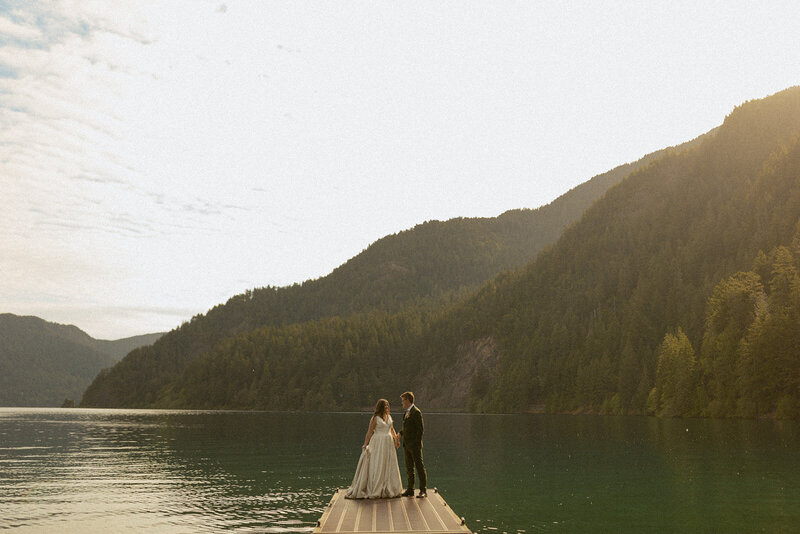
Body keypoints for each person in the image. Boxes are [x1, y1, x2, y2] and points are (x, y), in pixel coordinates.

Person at [344, 398, 403, 499]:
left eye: (388, 405)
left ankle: (389, 487)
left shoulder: (389, 416)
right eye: (385, 406)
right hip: (378, 443)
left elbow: (392, 429)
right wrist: (365, 444)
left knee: (388, 464)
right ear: (381, 407)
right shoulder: (375, 418)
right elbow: (370, 432)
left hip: (388, 443)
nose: (387, 407)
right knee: (378, 463)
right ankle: (376, 487)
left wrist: (396, 440)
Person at [398, 391, 427, 498]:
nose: (402, 403)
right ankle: (410, 489)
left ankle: (423, 490)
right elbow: (406, 428)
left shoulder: (416, 412)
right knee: (409, 468)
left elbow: (420, 430)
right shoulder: (406, 413)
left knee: (419, 467)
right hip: (406, 445)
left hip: (414, 446)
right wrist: (400, 434)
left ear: (408, 400)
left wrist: (416, 444)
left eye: (403, 400)